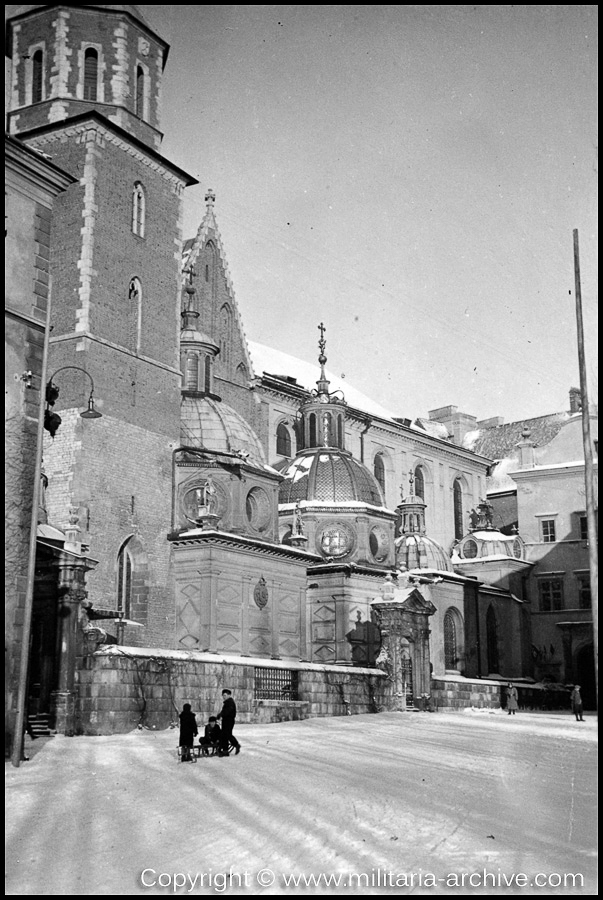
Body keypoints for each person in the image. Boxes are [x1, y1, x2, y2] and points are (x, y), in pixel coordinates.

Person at [216, 689, 241, 756]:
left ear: (229, 695)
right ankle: (227, 749)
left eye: (225, 695)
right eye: (223, 695)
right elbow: (224, 711)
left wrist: (221, 715)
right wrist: (220, 715)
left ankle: (227, 749)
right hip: (226, 720)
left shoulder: (230, 703)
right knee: (226, 735)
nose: (224, 697)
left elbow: (227, 711)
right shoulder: (227, 702)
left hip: (229, 720)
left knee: (226, 734)